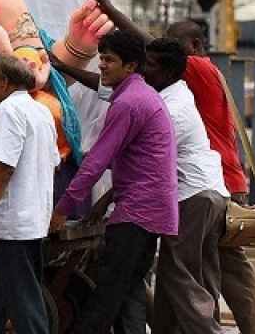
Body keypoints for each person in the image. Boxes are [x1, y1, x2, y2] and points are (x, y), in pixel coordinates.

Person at [90, 0, 255, 334]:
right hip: (212, 182)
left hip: (206, 184)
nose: (151, 60)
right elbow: (122, 81)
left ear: (193, 45)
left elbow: (152, 52)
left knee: (211, 270)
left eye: (172, 45)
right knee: (201, 270)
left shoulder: (199, 69)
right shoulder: (180, 85)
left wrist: (114, 13)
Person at [49, 29, 178, 334]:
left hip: (138, 211)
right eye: (101, 58)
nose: (102, 66)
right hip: (154, 210)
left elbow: (97, 160)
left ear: (131, 66)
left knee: (107, 293)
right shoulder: (140, 95)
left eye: (109, 60)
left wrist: (62, 209)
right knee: (129, 290)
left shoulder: (128, 104)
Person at [0, 51, 60, 334]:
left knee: (24, 302)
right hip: (31, 220)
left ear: (5, 81)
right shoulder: (41, 111)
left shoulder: (8, 111)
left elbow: (4, 169)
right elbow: (52, 164)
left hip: (13, 224)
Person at [144, 37, 229, 334]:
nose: (143, 70)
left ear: (168, 72)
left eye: (150, 66)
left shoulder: (171, 110)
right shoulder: (177, 95)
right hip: (210, 190)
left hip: (192, 194)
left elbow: (152, 161)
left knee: (179, 273)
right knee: (203, 273)